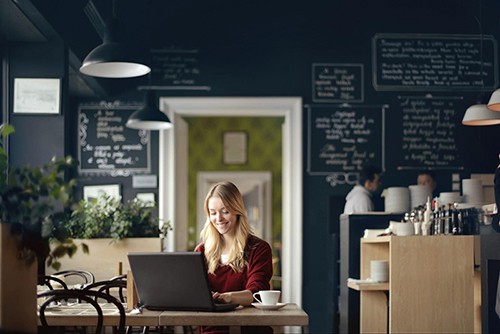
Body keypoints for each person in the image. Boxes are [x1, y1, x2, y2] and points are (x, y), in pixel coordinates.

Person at [195, 181, 273, 334]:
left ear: (237, 211)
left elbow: (257, 293)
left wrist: (228, 297)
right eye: (213, 212)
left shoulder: (258, 249)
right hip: (213, 330)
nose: (219, 218)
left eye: (225, 211)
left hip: (250, 330)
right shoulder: (201, 251)